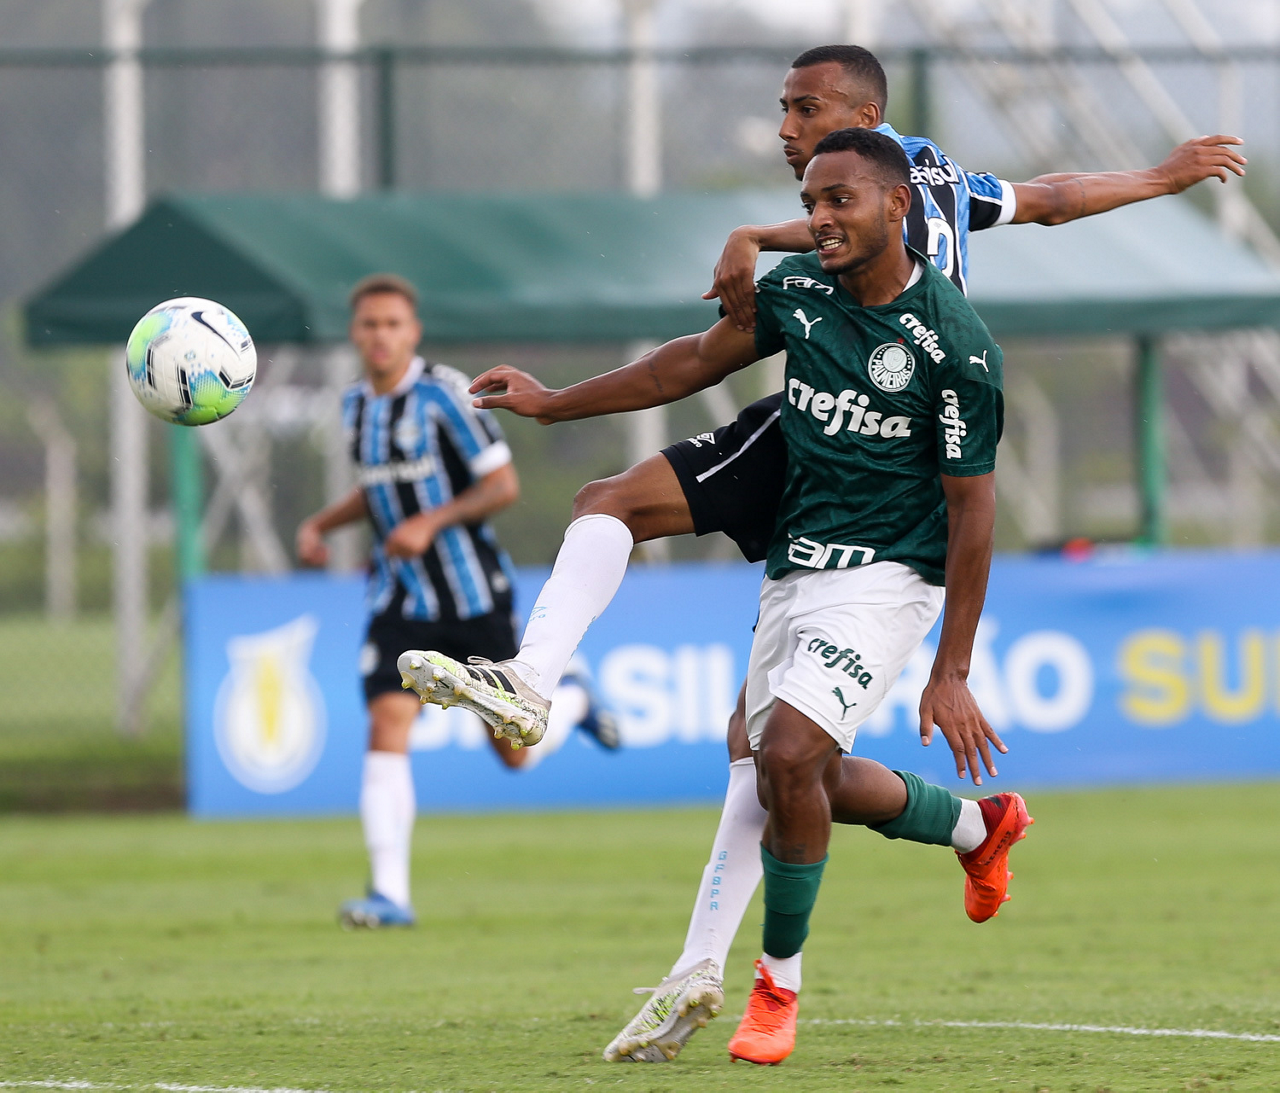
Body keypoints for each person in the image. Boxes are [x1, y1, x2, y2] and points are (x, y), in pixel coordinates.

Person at [402, 43, 1245, 1052]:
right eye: (786, 116)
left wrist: (751, 232)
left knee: (779, 754)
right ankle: (542, 692)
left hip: (894, 476)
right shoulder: (917, 192)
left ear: (867, 132)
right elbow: (1050, 197)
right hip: (822, 416)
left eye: (804, 111)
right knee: (745, 715)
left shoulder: (901, 234)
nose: (785, 130)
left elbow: (968, 477)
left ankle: (739, 969)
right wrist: (1157, 176)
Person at [296, 274, 617, 930]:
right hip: (400, 597)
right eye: (369, 324)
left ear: (412, 332)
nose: (380, 335)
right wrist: (321, 524)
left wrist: (430, 523)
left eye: (392, 324)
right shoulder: (355, 406)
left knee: (515, 752)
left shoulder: (443, 395)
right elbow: (378, 489)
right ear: (355, 333)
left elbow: (502, 484)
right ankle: (390, 894)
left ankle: (575, 701)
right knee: (386, 723)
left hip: (471, 596)